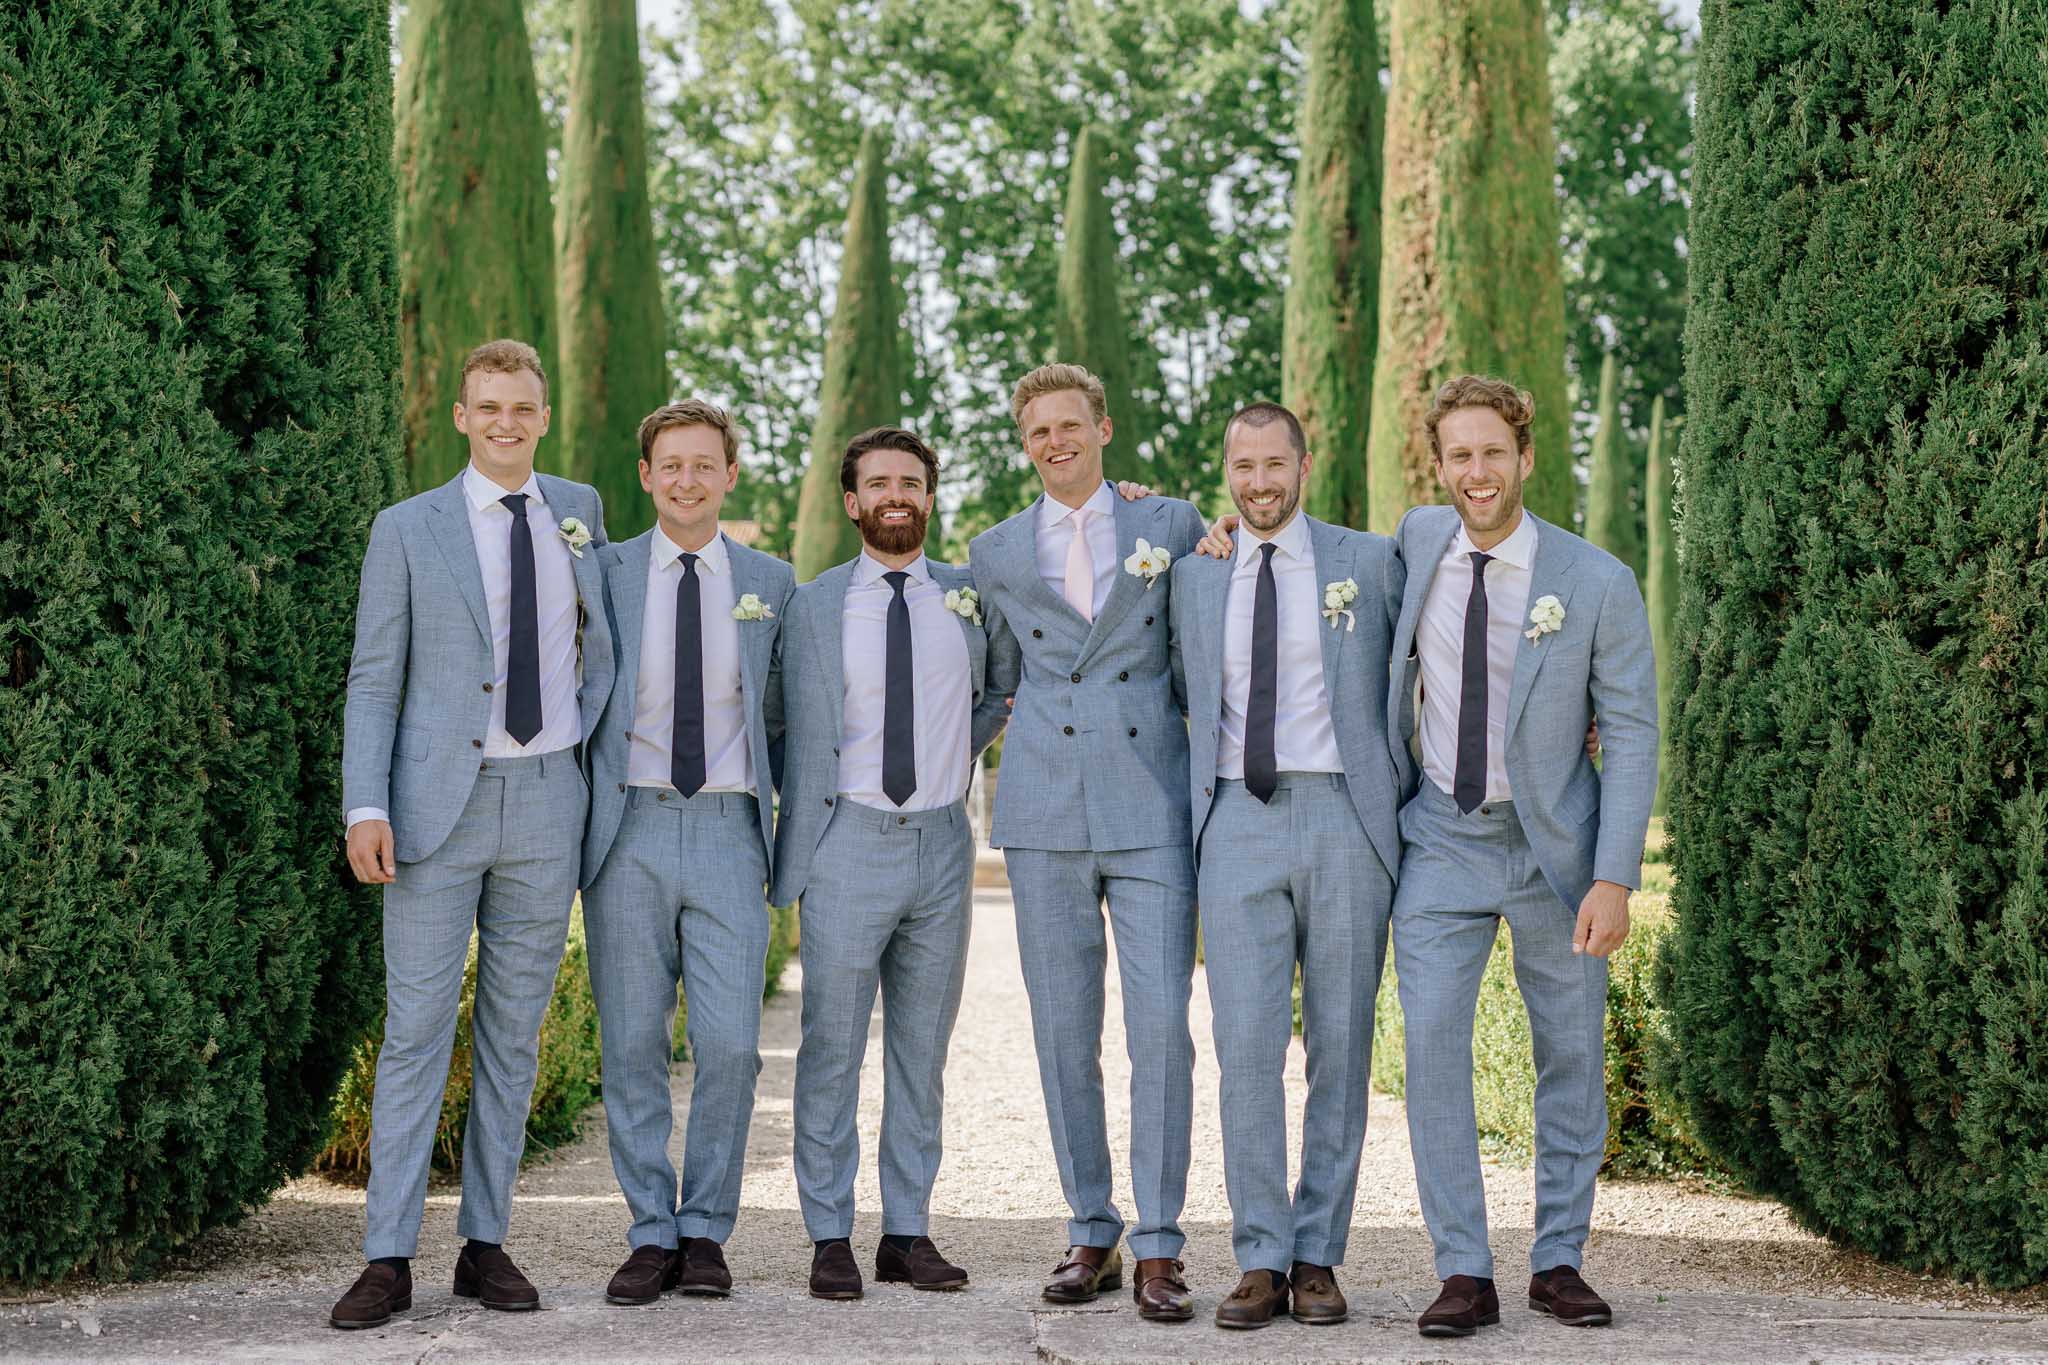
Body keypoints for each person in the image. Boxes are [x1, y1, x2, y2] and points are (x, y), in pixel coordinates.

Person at [332, 339, 616, 1329]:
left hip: (547, 802)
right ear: (461, 416)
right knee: (415, 1032)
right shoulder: (407, 529)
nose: (506, 421)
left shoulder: (580, 513)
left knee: (511, 1033)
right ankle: (387, 1256)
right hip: (430, 812)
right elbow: (374, 678)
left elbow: (607, 645)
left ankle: (485, 1243)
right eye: (488, 406)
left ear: (544, 417)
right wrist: (364, 805)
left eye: (523, 408)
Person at [1386, 375, 1657, 1337]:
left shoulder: (1595, 581)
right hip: (1441, 840)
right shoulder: (1417, 544)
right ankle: (1463, 1267)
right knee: (1429, 1051)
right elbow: (1300, 555)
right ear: (1440, 466)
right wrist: (1197, 527)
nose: (1478, 471)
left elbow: (1629, 733)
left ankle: (1558, 1260)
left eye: (1493, 451)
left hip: (1558, 852)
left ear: (1527, 456)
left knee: (1571, 1054)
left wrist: (1614, 875)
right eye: (1459, 454)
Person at [969, 363, 1208, 1321]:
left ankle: (1160, 1243)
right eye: (1039, 432)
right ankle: (1091, 1226)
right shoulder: (992, 551)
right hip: (1041, 816)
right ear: (1025, 443)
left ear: (1104, 429)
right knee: (1064, 1030)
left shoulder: (1172, 525)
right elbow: (985, 678)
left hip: (1151, 810)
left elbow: (1214, 649)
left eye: (1072, 425)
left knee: (1161, 1032)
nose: (1056, 443)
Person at [1166, 402, 1403, 1329]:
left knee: (1340, 1047)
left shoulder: (1370, 562)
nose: (1259, 483)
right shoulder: (1196, 574)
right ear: (1225, 472)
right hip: (1234, 820)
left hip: (1345, 813)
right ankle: (1260, 1254)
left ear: (1306, 463)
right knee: (1246, 1048)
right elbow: (1181, 685)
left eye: (1275, 464)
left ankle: (1319, 1256)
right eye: (1243, 468)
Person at [768, 426, 1011, 1300]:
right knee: (831, 1045)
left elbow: (999, 693)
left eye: (911, 480)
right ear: (852, 501)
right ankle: (829, 1232)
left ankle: (906, 1231)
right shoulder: (812, 604)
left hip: (943, 846)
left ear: (930, 495)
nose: (896, 494)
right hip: (846, 843)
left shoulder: (969, 597)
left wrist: (954, 753)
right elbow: (777, 718)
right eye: (879, 482)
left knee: (921, 1049)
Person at [579, 400, 794, 1306]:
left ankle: (707, 1228)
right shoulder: (603, 569)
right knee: (631, 1041)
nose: (686, 480)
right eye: (670, 465)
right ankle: (650, 1231)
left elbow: (794, 709)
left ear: (730, 474)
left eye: (704, 464)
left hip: (727, 827)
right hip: (627, 824)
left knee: (731, 1044)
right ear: (645, 475)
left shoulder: (774, 582)